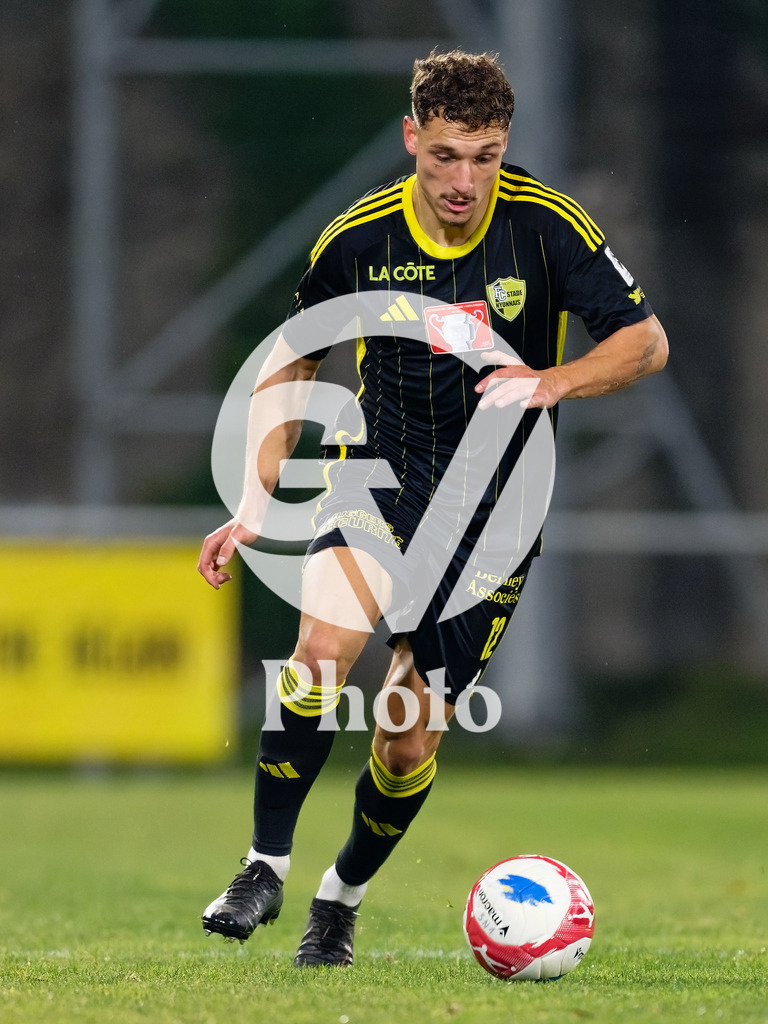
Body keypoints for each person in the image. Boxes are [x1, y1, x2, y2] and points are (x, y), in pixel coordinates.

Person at [197, 49, 668, 968]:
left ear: (505, 146)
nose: (464, 180)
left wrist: (553, 381)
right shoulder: (361, 239)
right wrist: (255, 502)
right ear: (412, 137)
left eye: (485, 156)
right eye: (446, 155)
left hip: (495, 514)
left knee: (406, 738)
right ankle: (263, 863)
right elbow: (292, 361)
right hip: (380, 474)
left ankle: (338, 905)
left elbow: (645, 342)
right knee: (323, 650)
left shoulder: (545, 228)